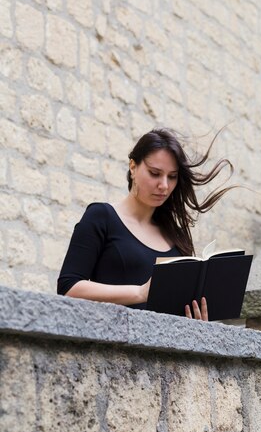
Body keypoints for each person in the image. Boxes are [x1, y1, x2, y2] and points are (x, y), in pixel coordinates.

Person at [57, 128, 234, 321]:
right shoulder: (101, 217)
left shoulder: (176, 236)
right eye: (155, 173)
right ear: (133, 167)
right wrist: (140, 293)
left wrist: (196, 320)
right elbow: (69, 287)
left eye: (172, 176)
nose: (164, 185)